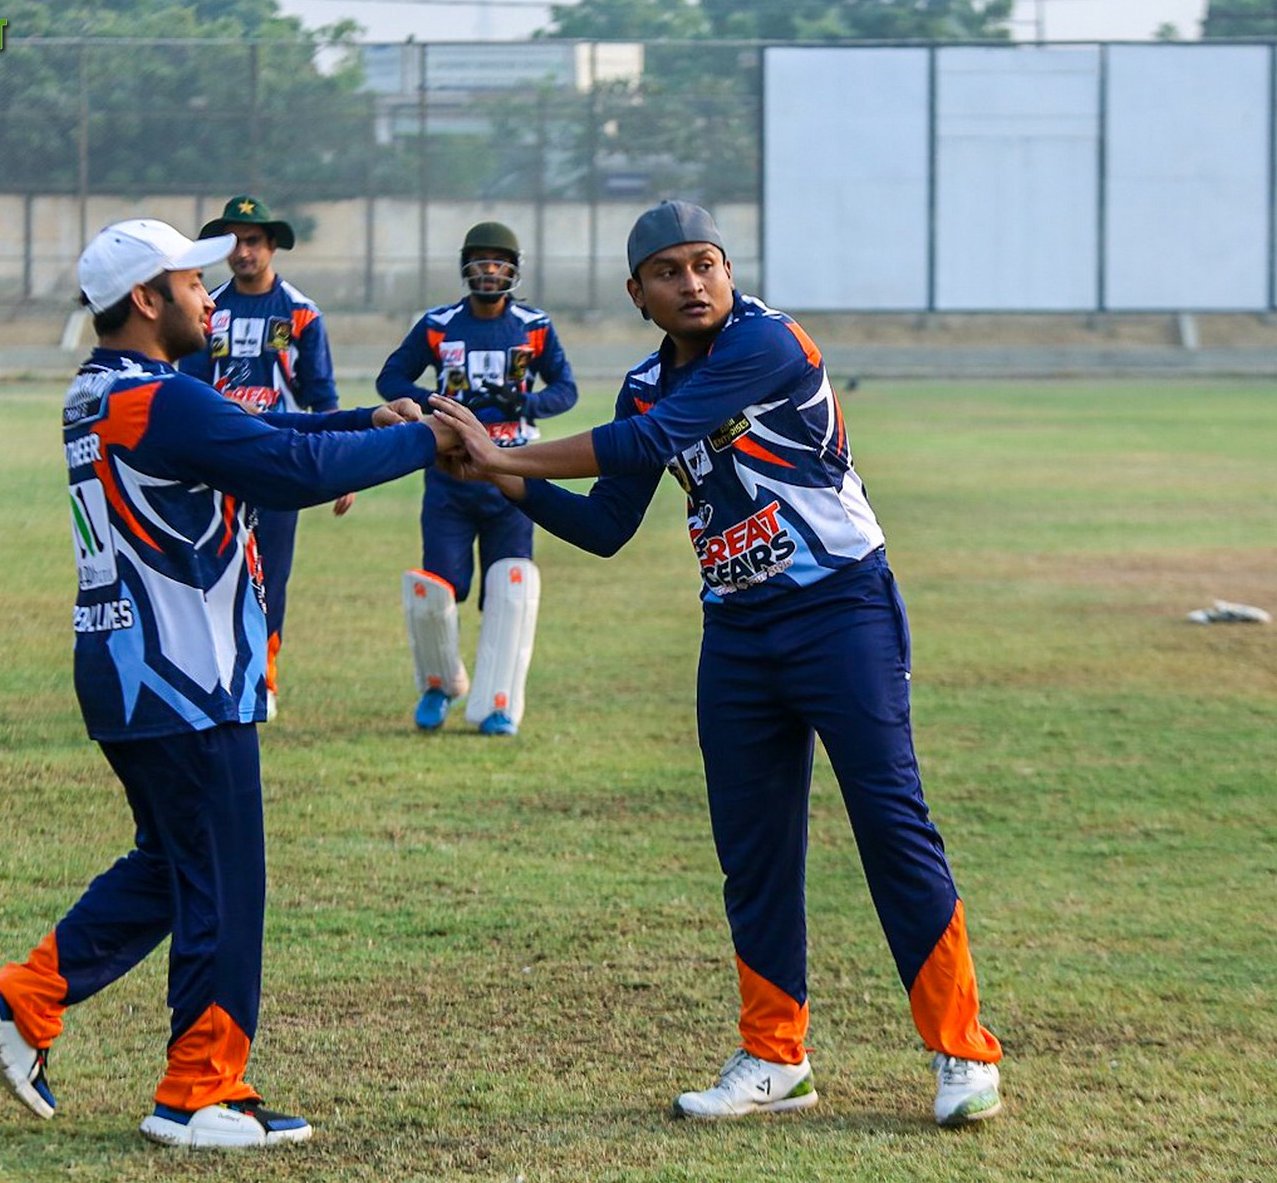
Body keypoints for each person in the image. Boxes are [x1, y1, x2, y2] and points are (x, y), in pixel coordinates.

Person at [430, 201, 1003, 1127]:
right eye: (669, 271)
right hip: (737, 632)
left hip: (841, 611)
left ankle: (963, 1052)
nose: (692, 283)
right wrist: (497, 476)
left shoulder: (768, 342)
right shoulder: (645, 383)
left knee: (892, 826)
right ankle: (776, 1059)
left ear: (729, 271)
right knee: (753, 850)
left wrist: (508, 450)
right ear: (637, 293)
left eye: (706, 264)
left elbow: (651, 442)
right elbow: (607, 525)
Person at [0, 218, 455, 1150]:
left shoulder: (106, 392)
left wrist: (367, 420)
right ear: (147, 301)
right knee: (223, 881)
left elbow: (263, 432)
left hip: (127, 670)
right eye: (192, 282)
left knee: (172, 865)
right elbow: (289, 467)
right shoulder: (161, 398)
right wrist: (430, 439)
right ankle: (198, 1094)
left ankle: (25, 1001)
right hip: (184, 676)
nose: (210, 296)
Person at [376, 220, 578, 736]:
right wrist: (437, 403)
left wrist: (524, 403)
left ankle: (499, 703)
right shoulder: (438, 324)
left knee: (511, 588)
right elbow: (390, 378)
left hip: (513, 477)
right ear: (466, 266)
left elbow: (566, 389)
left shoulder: (535, 325)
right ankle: (439, 684)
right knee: (435, 589)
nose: (490, 270)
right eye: (481, 261)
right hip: (450, 476)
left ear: (514, 269)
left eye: (499, 261)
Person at [180, 194, 343, 721]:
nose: (242, 252)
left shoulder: (301, 313)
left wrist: (341, 469)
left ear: (272, 245)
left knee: (270, 573)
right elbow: (189, 388)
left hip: (278, 459)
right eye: (233, 242)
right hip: (218, 461)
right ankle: (213, 672)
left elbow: (322, 396)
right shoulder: (207, 309)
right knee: (210, 566)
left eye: (252, 241)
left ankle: (263, 676)